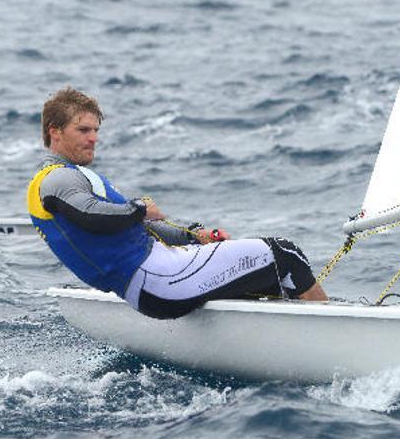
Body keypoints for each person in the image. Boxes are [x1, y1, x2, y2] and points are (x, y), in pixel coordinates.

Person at [27, 87, 327, 319]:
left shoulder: (76, 178)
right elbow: (93, 216)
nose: (93, 138)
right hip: (161, 280)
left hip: (152, 284)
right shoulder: (55, 180)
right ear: (54, 131)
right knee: (285, 254)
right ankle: (330, 333)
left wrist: (192, 236)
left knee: (262, 280)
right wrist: (140, 209)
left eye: (96, 130)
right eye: (83, 130)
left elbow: (137, 229)